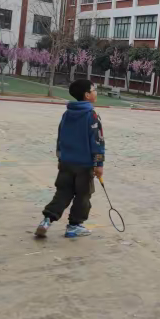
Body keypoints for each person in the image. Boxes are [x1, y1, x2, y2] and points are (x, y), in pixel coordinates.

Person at [35, 80, 105, 238]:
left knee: (63, 192)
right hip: (84, 165)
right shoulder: (91, 115)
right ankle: (74, 225)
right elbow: (98, 142)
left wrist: (61, 158)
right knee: (83, 196)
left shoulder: (67, 114)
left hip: (66, 163)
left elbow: (60, 138)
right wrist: (99, 164)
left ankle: (46, 220)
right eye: (94, 90)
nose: (96, 92)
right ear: (87, 95)